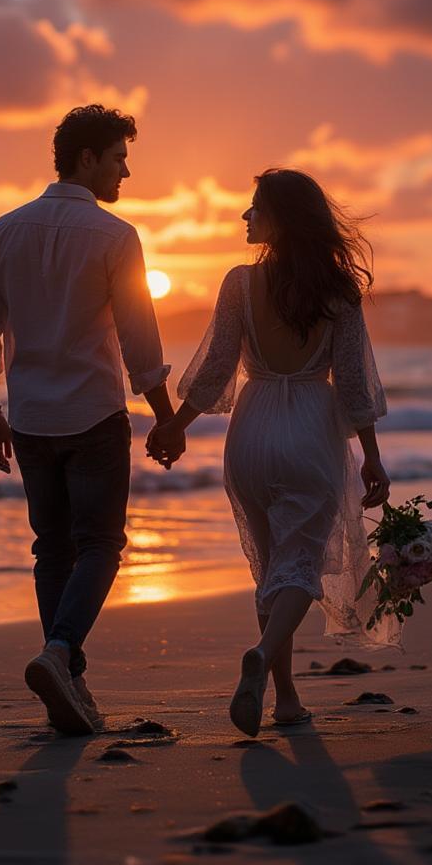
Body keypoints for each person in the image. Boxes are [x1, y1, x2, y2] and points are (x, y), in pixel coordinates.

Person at [146, 168, 397, 738]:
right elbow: (354, 384)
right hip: (310, 428)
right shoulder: (338, 294)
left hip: (252, 429)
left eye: (255, 207)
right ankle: (260, 656)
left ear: (282, 218)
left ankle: (285, 700)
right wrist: (372, 455)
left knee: (270, 569)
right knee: (299, 566)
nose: (245, 216)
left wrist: (176, 425)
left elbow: (213, 371)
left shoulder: (239, 283)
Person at [0, 104, 179, 736]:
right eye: (118, 158)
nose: (126, 172)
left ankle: (70, 681)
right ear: (87, 158)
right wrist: (164, 419)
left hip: (30, 416)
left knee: (51, 547)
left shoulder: (5, 230)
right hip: (93, 413)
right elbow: (141, 341)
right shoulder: (115, 236)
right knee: (101, 544)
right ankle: (60, 656)